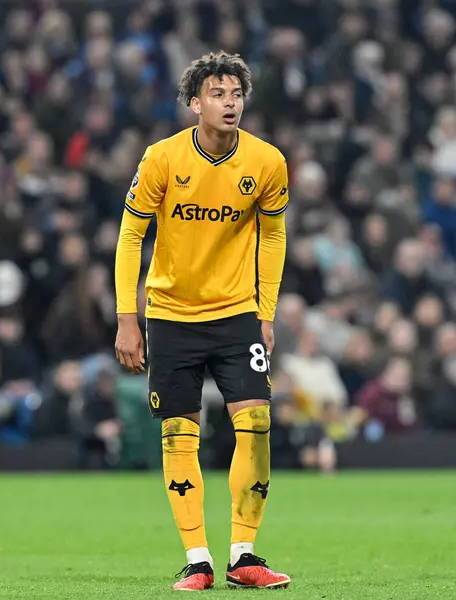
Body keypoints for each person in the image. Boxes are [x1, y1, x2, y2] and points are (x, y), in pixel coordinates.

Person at [114, 51, 290, 591]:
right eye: (217, 93)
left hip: (237, 314)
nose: (229, 102)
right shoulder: (163, 159)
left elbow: (274, 236)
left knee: (256, 425)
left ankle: (244, 555)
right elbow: (131, 236)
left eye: (236, 93)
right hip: (170, 317)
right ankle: (198, 560)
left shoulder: (267, 162)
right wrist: (128, 317)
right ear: (195, 104)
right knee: (178, 437)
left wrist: (266, 312)